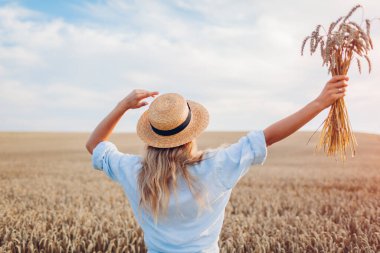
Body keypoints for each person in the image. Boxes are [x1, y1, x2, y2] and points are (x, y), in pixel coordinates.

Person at [85, 75, 349, 253]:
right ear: (191, 134)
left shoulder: (133, 172)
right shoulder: (217, 166)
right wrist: (320, 102)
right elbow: (268, 136)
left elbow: (94, 145)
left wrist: (122, 105)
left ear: (152, 137)